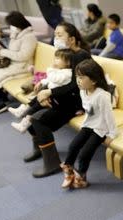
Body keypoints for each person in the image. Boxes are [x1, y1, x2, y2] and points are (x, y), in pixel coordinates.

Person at [24, 22, 91, 178]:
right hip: (63, 97)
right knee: (29, 112)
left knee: (38, 120)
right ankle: (39, 149)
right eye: (55, 34)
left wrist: (50, 93)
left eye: (60, 35)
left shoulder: (81, 56)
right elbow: (57, 78)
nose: (56, 38)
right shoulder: (66, 53)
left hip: (76, 101)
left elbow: (76, 85)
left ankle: (52, 163)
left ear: (72, 39)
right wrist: (45, 89)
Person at [60, 59, 116, 189]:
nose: (78, 80)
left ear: (94, 80)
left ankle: (81, 177)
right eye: (77, 77)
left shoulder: (102, 96)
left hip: (101, 128)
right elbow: (89, 109)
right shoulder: (82, 90)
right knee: (73, 146)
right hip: (89, 124)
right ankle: (68, 170)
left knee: (85, 153)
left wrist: (112, 134)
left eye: (81, 77)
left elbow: (109, 116)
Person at [9, 49, 73, 133]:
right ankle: (23, 113)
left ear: (67, 62)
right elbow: (49, 79)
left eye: (58, 58)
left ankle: (24, 122)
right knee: (35, 103)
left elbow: (54, 78)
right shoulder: (60, 70)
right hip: (49, 94)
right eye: (55, 58)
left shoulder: (68, 73)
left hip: (56, 98)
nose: (55, 60)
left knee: (36, 105)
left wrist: (51, 68)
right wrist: (41, 82)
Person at [0, 11, 37, 114]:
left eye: (11, 25)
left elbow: (23, 56)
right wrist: (2, 50)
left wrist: (3, 52)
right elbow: (13, 51)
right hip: (15, 64)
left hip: (23, 67)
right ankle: (1, 99)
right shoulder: (17, 34)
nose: (10, 27)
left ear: (17, 24)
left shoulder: (29, 37)